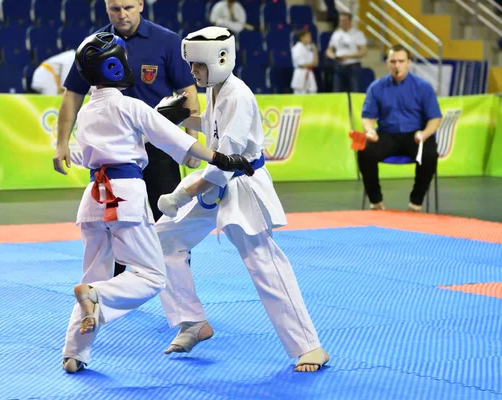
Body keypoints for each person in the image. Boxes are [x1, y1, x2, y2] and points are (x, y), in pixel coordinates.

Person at [61, 32, 253, 374]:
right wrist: (220, 158)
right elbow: (176, 139)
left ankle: (74, 354)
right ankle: (98, 301)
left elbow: (141, 127)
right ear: (115, 67)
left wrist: (161, 114)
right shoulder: (130, 106)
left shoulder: (88, 112)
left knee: (94, 275)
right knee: (151, 276)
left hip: (92, 201)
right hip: (125, 198)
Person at [154, 26, 329, 373]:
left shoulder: (238, 94)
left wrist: (180, 193)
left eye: (198, 67)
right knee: (162, 241)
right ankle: (192, 321)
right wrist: (181, 117)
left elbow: (224, 163)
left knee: (263, 262)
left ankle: (310, 347)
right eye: (192, 66)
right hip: (217, 183)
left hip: (242, 184)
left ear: (220, 59)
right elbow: (215, 128)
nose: (193, 73)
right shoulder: (218, 90)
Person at [53, 0, 200, 277]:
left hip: (158, 149)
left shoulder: (167, 41)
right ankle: (112, 292)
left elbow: (187, 91)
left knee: (168, 221)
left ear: (141, 5)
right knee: (111, 224)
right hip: (116, 152)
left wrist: (191, 140)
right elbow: (73, 95)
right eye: (115, 9)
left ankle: (180, 291)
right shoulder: (94, 45)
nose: (122, 14)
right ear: (106, 8)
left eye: (129, 7)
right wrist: (61, 143)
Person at [359, 44, 442, 211]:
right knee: (365, 151)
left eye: (401, 61)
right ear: (387, 63)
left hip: (415, 136)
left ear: (409, 62)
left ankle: (416, 203)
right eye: (393, 61)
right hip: (387, 135)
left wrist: (424, 134)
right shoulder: (376, 87)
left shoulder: (423, 87)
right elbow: (368, 117)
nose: (397, 65)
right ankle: (376, 202)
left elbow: (435, 118)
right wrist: (370, 131)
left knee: (430, 153)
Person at [325, 12, 367, 93]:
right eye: (340, 20)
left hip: (352, 66)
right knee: (337, 92)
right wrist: (333, 56)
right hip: (339, 66)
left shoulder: (357, 34)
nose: (341, 22)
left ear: (349, 21)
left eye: (344, 20)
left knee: (354, 91)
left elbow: (363, 51)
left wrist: (348, 56)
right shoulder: (336, 34)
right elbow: (329, 50)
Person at [290, 28, 318, 95]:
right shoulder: (297, 48)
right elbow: (302, 64)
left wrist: (315, 50)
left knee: (312, 94)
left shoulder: (309, 48)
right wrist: (311, 64)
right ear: (302, 37)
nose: (310, 38)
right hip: (300, 73)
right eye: (308, 36)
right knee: (300, 97)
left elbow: (315, 63)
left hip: (309, 73)